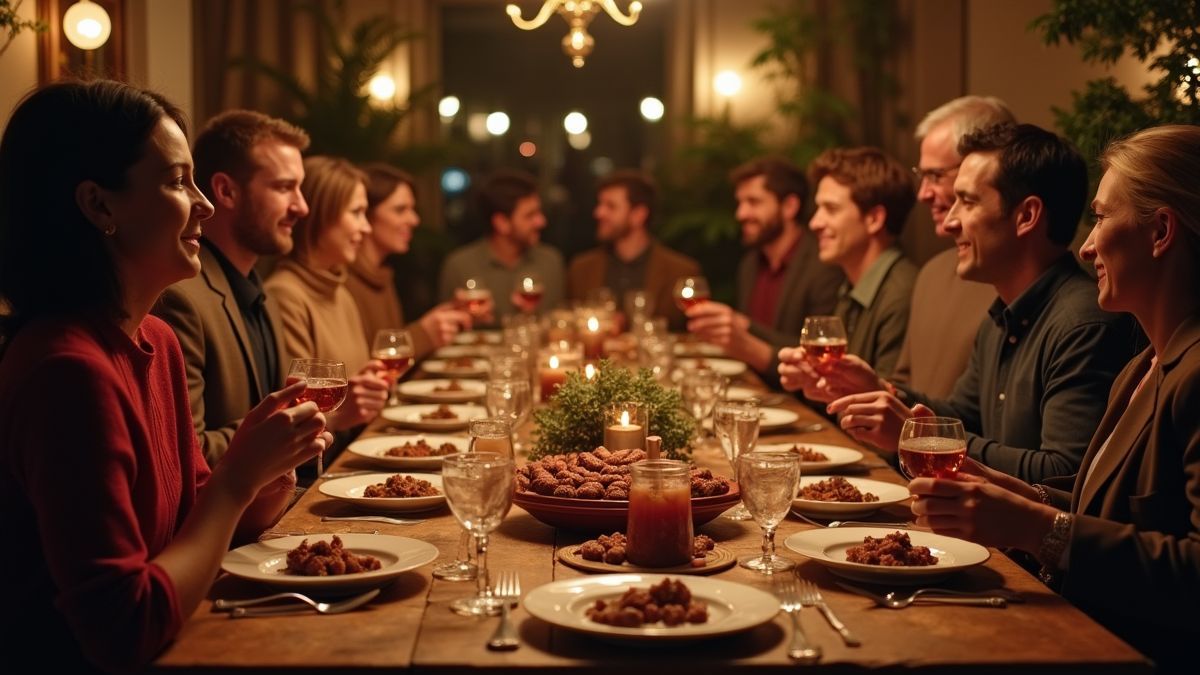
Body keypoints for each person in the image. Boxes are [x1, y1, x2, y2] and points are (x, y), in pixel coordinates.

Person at [0, 80, 331, 672]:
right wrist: (237, 479)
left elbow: (193, 521)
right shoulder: (65, 372)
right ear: (100, 205)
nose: (205, 205)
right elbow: (124, 630)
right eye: (178, 181)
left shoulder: (156, 338)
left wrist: (266, 467)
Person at [907, 124, 1200, 672]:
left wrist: (1036, 527)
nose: (1086, 246)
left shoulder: (1192, 372)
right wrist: (1016, 492)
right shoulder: (1143, 365)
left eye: (1102, 218)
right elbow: (1108, 510)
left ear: (1161, 231)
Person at [794, 124, 1140, 483]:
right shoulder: (1001, 316)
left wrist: (916, 436)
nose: (950, 221)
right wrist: (881, 390)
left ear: (1026, 216)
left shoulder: (1083, 323)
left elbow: (1064, 474)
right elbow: (962, 416)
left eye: (968, 202)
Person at [153, 109, 311, 465]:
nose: (302, 207)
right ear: (226, 191)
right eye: (284, 187)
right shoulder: (181, 297)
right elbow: (187, 454)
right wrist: (282, 427)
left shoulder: (257, 288)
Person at [891, 96, 1012, 396]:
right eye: (923, 175)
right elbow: (905, 383)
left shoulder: (1015, 282)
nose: (923, 194)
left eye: (935, 176)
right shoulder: (932, 272)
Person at [685, 157, 843, 385]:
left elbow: (819, 355)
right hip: (751, 389)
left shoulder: (824, 266)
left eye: (753, 202)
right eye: (740, 203)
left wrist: (744, 327)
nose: (741, 214)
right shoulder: (750, 264)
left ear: (789, 206)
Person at [264, 156, 389, 428]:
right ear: (320, 216)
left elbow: (349, 386)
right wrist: (342, 414)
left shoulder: (340, 291)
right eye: (356, 213)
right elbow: (295, 414)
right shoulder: (285, 295)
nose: (366, 227)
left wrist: (366, 385)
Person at [804, 146, 918, 377]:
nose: (815, 223)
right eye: (818, 208)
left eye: (831, 209)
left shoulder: (901, 294)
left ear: (874, 219)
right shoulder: (852, 287)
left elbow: (889, 394)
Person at [347, 163, 472, 358]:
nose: (414, 220)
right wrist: (423, 334)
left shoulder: (381, 275)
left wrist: (442, 323)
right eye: (400, 210)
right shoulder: (345, 283)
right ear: (366, 215)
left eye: (412, 209)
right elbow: (360, 368)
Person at [566, 169, 700, 327]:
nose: (598, 213)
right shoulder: (581, 269)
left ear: (638, 215)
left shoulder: (680, 272)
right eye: (600, 204)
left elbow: (694, 334)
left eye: (610, 206)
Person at [438, 169, 565, 321]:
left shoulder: (550, 261)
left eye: (539, 213)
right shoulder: (460, 266)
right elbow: (447, 326)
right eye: (530, 215)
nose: (541, 222)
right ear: (502, 223)